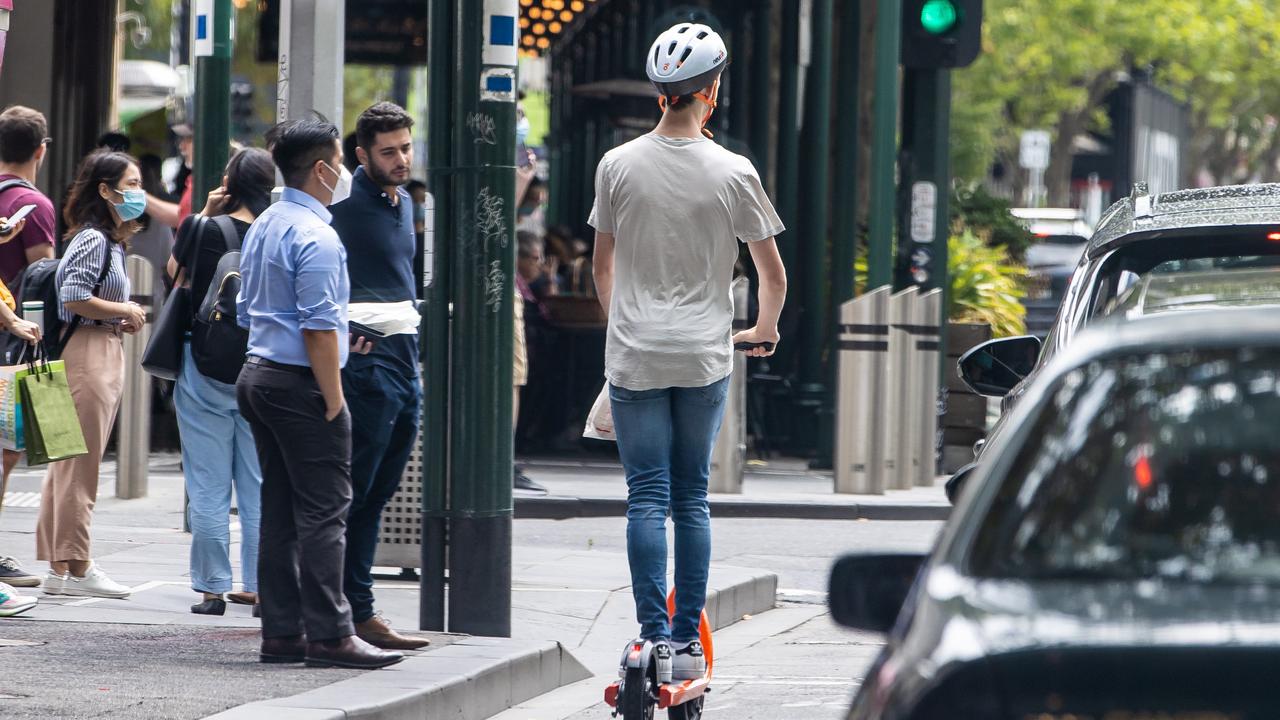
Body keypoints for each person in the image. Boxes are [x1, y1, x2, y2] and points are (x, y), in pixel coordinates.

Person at [589, 24, 788, 683]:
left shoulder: (617, 165)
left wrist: (623, 324)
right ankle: (688, 642)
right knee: (691, 497)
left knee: (645, 496)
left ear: (661, 94)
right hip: (704, 352)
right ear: (711, 92)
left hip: (636, 352)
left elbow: (602, 266)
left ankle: (651, 641)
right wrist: (763, 327)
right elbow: (773, 275)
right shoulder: (735, 172)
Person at [236, 116, 401, 670]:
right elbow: (318, 328)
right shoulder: (318, 235)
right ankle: (331, 633)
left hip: (258, 374)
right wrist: (334, 398)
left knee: (279, 510)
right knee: (325, 511)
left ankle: (282, 632)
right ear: (325, 168)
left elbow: (244, 308)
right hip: (298, 382)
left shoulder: (264, 224)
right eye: (341, 162)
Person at [328, 102, 431, 650]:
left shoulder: (401, 202)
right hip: (366, 368)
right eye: (389, 151)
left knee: (379, 492)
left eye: (406, 148)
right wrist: (343, 328)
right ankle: (348, 610)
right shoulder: (342, 206)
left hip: (403, 361)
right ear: (361, 154)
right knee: (355, 491)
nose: (401, 159)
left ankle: (357, 609)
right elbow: (317, 277)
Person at [167, 148, 274, 616]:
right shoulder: (275, 233)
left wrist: (206, 214)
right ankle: (257, 584)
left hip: (203, 366)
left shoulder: (204, 228)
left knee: (208, 484)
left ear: (228, 182)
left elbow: (175, 276)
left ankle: (212, 589)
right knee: (256, 483)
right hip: (258, 369)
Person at [37, 150, 148, 599]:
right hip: (88, 353)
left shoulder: (109, 241)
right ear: (105, 190)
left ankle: (60, 567)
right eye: (132, 183)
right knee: (80, 465)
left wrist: (116, 318)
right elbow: (74, 294)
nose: (139, 193)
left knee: (66, 463)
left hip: (95, 344)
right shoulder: (94, 240)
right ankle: (79, 565)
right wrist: (124, 309)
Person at [0, 105, 54, 589]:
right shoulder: (34, 206)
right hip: (10, 336)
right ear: (40, 149)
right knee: (6, 448)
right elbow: (42, 277)